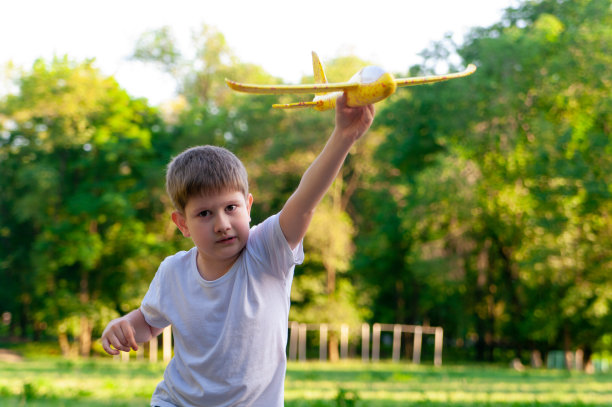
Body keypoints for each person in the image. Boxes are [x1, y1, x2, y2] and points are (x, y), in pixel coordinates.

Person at [100, 94, 375, 406]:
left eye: (231, 207)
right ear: (182, 224)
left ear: (248, 206)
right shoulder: (173, 271)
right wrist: (123, 326)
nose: (222, 223)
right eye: (204, 214)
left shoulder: (266, 252)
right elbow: (149, 322)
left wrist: (344, 136)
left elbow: (303, 204)